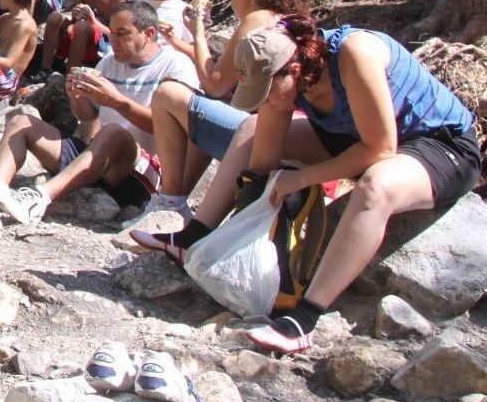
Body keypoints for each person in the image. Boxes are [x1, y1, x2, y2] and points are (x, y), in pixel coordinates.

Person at [172, 18, 477, 354]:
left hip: (440, 146)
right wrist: (245, 228)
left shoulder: (354, 53)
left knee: (376, 187)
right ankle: (193, 238)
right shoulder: (291, 77)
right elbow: (263, 159)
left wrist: (302, 178)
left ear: (294, 71)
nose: (266, 102)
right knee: (251, 129)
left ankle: (304, 318)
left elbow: (380, 149)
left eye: (267, 93)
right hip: (353, 136)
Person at [0, 2, 201, 225]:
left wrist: (117, 101)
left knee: (114, 133)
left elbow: (172, 128)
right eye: (112, 33)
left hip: (144, 169)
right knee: (21, 122)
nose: (113, 41)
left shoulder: (176, 65)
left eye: (122, 34)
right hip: (98, 157)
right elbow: (88, 115)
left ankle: (41, 198)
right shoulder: (110, 62)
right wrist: (77, 96)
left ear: (149, 34)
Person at [134, 0, 313, 218]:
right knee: (208, 108)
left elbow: (213, 83)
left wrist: (197, 32)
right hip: (295, 138)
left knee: (167, 94)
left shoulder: (256, 19)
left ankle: (170, 200)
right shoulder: (289, 19)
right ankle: (174, 200)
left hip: (266, 141)